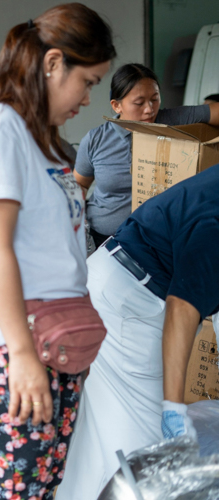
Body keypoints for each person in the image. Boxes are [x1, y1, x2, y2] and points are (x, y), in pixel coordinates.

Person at [0, 5, 115, 499]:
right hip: (12, 342)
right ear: (52, 64)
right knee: (20, 488)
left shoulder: (40, 140)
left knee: (41, 486)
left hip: (55, 338)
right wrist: (20, 354)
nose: (88, 98)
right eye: (87, 82)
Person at [58, 165, 219, 499]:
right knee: (148, 462)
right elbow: (182, 307)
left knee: (93, 447)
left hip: (118, 283)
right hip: (129, 301)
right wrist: (173, 408)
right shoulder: (215, 223)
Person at [74, 63, 219, 247]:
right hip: (105, 238)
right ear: (117, 105)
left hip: (158, 240)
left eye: (155, 99)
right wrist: (78, 222)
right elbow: (79, 184)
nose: (150, 109)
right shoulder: (96, 139)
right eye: (139, 103)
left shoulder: (171, 121)